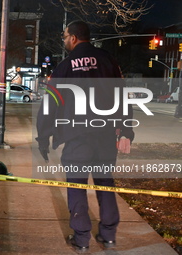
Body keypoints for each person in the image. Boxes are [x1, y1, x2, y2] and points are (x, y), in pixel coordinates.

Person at [36, 21, 134, 253]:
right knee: (105, 184)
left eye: (64, 36)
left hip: (77, 136)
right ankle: (108, 236)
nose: (63, 40)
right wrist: (126, 130)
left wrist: (43, 137)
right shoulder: (108, 60)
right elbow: (123, 96)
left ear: (74, 38)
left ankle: (81, 239)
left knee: (77, 186)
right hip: (104, 135)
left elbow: (49, 105)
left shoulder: (65, 66)